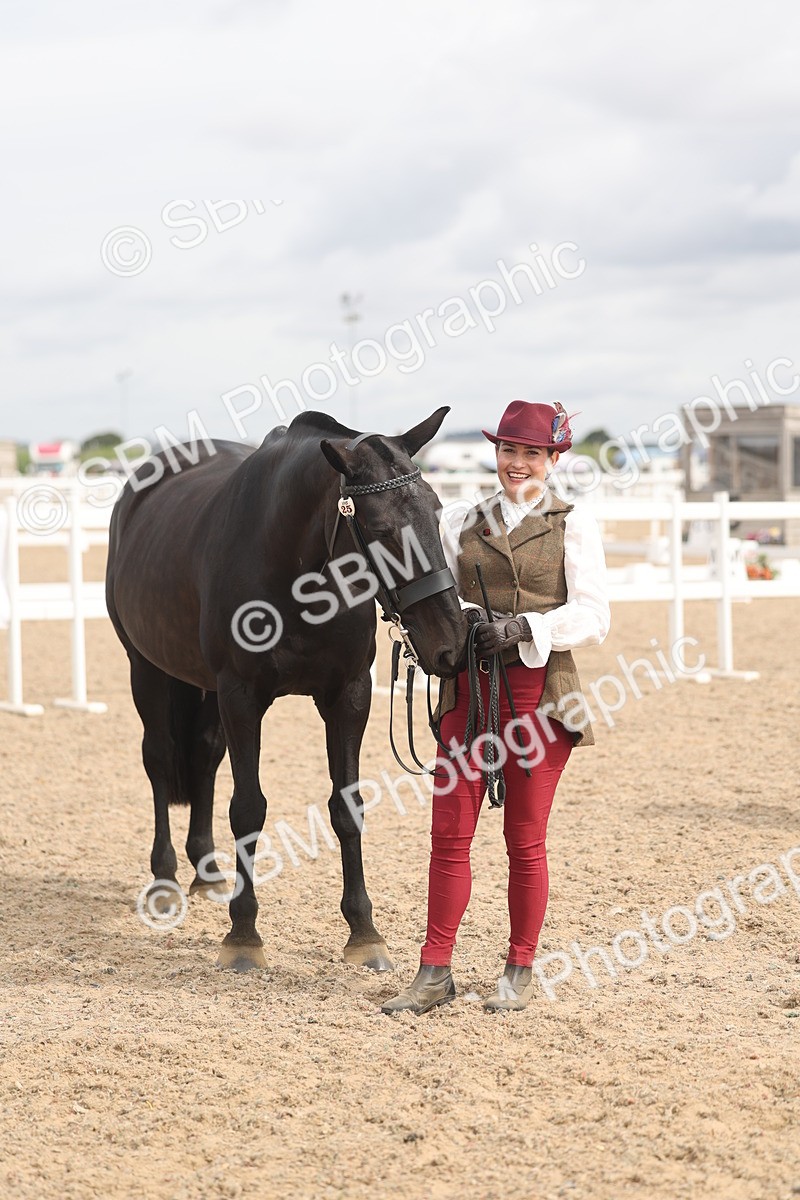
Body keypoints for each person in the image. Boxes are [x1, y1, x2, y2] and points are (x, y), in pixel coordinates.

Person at [381, 399, 610, 1015]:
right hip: (470, 692)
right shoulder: (460, 519)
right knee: (449, 832)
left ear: (553, 458)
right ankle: (434, 970)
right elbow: (432, 588)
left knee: (524, 837)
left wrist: (525, 627)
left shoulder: (573, 523)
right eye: (509, 450)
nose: (516, 462)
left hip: (538, 695)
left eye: (530, 452)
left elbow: (594, 617)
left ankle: (520, 965)